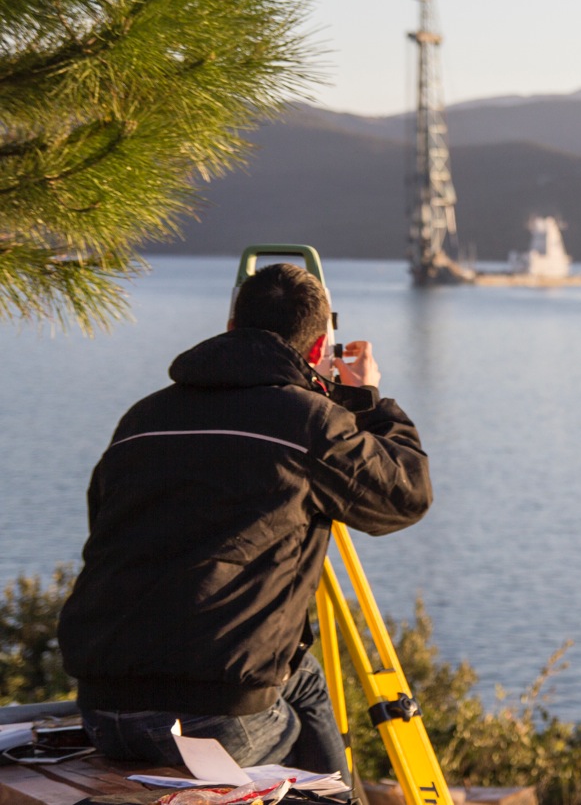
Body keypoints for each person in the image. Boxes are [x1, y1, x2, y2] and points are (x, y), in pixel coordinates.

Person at [58, 262, 432, 783]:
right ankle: (327, 796)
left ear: (231, 329)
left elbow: (105, 526)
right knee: (299, 680)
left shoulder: (142, 418)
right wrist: (368, 402)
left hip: (102, 709)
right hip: (214, 719)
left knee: (279, 672)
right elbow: (406, 495)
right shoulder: (310, 423)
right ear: (320, 346)